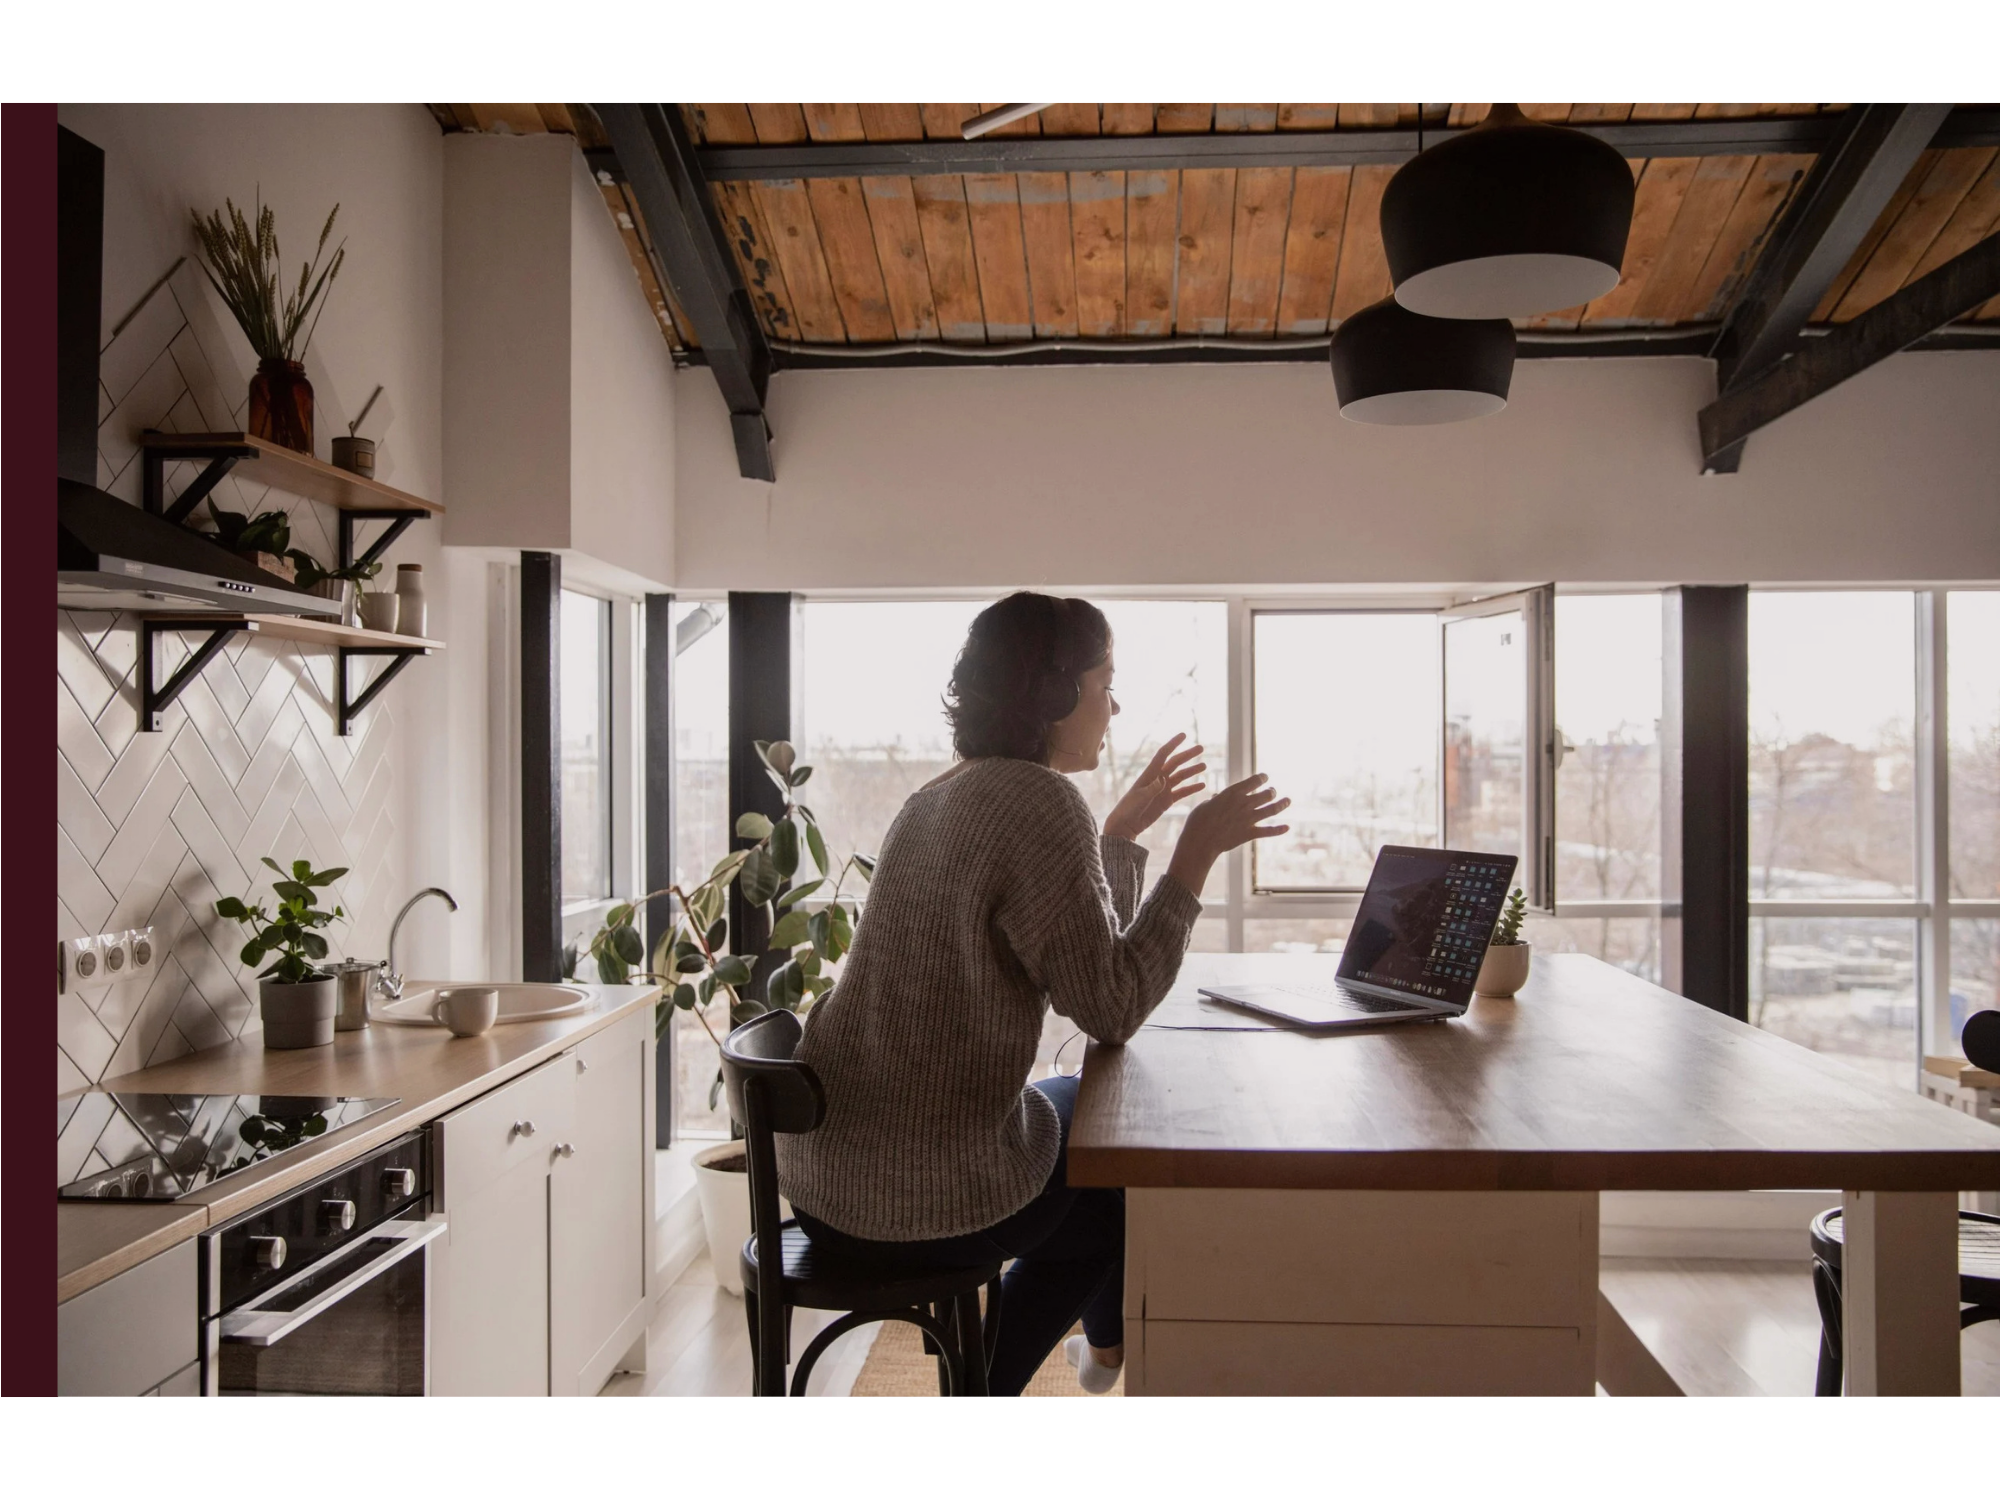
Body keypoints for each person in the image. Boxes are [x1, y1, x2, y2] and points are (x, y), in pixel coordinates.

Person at [777, 592, 1289, 1395]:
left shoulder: (944, 793)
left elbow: (1081, 963)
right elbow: (1113, 1007)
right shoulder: (1040, 802)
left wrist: (1118, 841)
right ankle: (990, 1383)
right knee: (1121, 1185)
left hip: (826, 1172)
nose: (1114, 707)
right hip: (915, 1194)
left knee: (1087, 1110)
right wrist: (1194, 853)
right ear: (1053, 694)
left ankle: (1102, 1353)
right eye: (1104, 683)